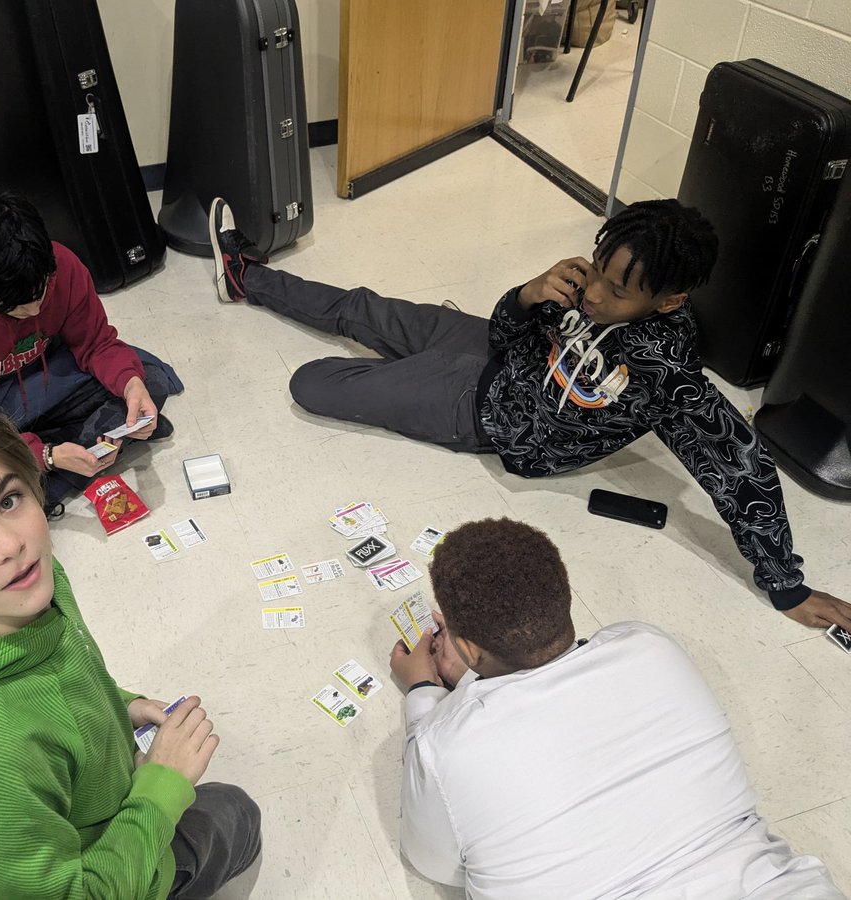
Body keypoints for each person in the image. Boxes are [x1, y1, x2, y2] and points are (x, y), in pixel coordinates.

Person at [207, 197, 850, 632]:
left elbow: (741, 469)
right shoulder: (581, 287)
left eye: (617, 290)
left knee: (313, 380)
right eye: (597, 269)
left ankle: (378, 369)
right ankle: (245, 278)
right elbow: (510, 327)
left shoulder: (665, 374)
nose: (593, 291)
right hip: (492, 350)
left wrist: (786, 585)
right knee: (362, 307)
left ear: (668, 300)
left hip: (477, 411)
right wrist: (528, 295)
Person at [0, 400, 261, 899]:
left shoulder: (19, 595)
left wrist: (119, 705)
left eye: (9, 500)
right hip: (88, 875)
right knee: (237, 816)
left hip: (53, 831)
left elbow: (55, 679)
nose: (9, 544)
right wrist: (160, 789)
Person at [388, 517, 844, 899]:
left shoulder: (443, 745)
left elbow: (434, 863)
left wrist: (425, 690)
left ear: (466, 647)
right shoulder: (650, 646)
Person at [0, 190, 182, 510]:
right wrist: (46, 456)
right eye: (17, 308)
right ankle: (63, 470)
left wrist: (130, 384)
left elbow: (96, 342)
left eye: (41, 293)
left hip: (50, 377)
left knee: (150, 381)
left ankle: (51, 468)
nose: (36, 310)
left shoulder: (63, 266)